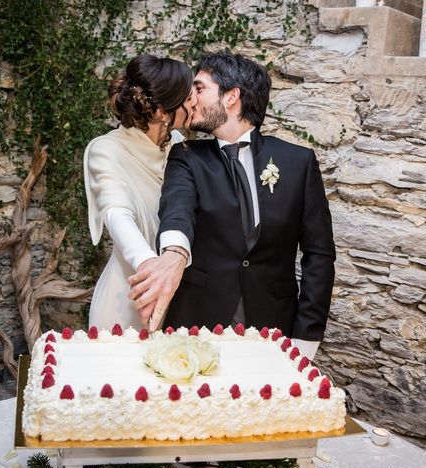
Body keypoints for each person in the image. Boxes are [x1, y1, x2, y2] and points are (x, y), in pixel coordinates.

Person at [128, 52, 335, 360]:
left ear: (231, 97)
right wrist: (174, 253)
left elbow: (319, 255)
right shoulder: (186, 157)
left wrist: (305, 339)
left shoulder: (298, 162)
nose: (190, 99)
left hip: (274, 330)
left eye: (199, 89)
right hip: (196, 327)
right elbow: (177, 211)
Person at [84, 54, 194, 330]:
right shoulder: (106, 150)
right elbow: (117, 214)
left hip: (178, 301)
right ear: (161, 113)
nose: (194, 102)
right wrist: (154, 273)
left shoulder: (179, 145)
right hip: (127, 298)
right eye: (187, 96)